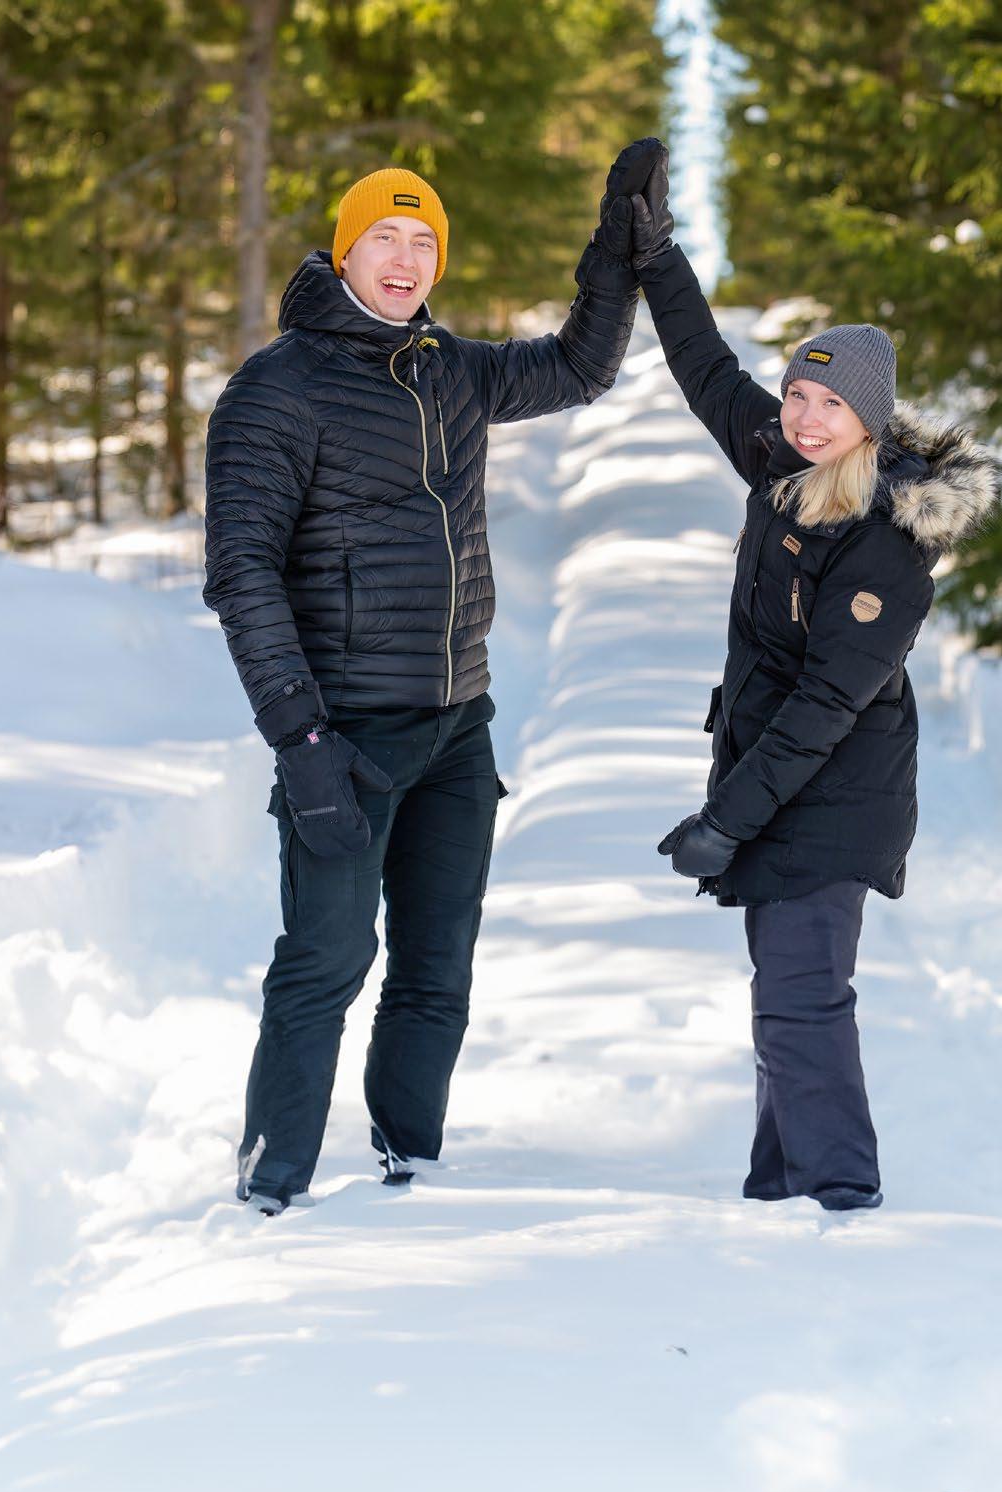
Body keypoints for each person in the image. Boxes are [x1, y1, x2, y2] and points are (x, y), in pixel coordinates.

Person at [205, 145, 656, 1214]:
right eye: (384, 237)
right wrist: (299, 738)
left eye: (423, 241)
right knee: (325, 960)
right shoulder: (275, 390)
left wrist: (614, 255)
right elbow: (241, 573)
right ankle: (271, 1183)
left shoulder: (449, 369)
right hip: (346, 735)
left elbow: (579, 368)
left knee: (436, 964)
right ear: (344, 252)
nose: (405, 258)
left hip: (457, 724)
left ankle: (410, 1165)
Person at [628, 150, 1001, 1212]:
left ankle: (840, 1197)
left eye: (828, 402)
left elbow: (826, 705)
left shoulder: (885, 542)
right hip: (777, 784)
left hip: (833, 796)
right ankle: (779, 1189)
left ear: (868, 421)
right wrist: (656, 256)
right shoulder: (784, 470)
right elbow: (705, 368)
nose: (802, 415)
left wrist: (725, 820)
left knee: (801, 1001)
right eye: (796, 392)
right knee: (783, 1000)